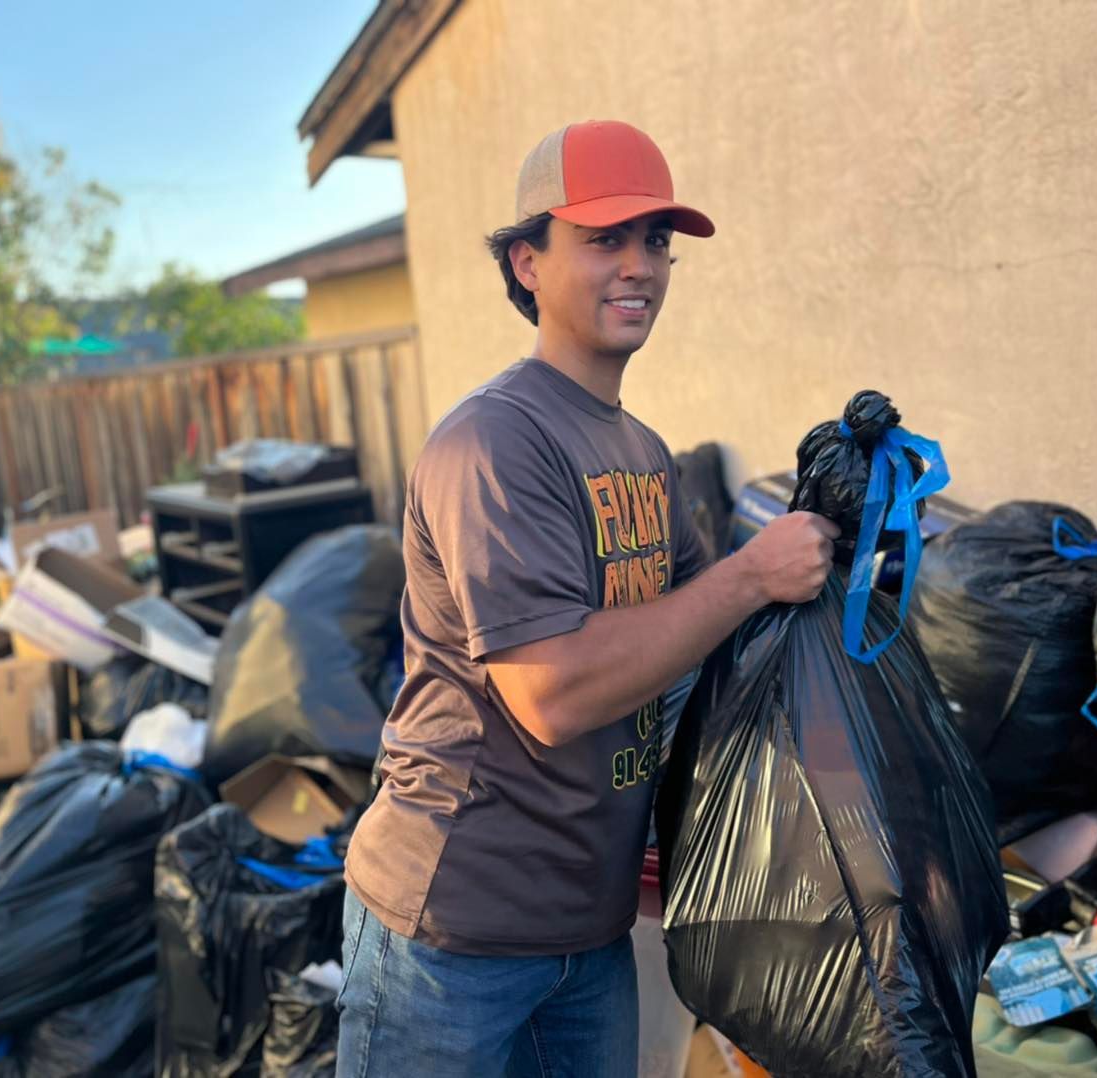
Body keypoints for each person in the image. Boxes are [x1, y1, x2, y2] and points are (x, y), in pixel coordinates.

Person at [336, 119, 837, 1078]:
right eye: (603, 238)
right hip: (451, 936)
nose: (638, 265)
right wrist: (749, 573)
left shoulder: (641, 452)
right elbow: (551, 693)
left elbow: (710, 649)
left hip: (591, 929)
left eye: (656, 240)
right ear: (527, 262)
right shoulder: (493, 442)